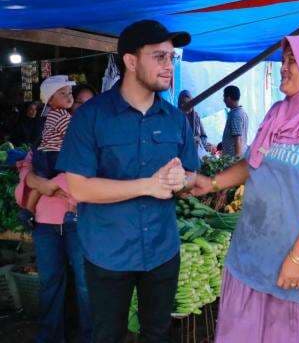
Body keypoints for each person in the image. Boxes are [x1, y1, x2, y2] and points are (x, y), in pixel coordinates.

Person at [192, 35, 299, 342]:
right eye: (283, 60)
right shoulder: (278, 113)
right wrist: (212, 183)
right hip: (254, 260)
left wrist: (298, 259)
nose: (283, 68)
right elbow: (254, 161)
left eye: (293, 61)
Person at [56, 20, 199, 343]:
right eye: (159, 57)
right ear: (131, 61)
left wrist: (183, 179)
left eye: (170, 57)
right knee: (107, 335)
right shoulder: (91, 117)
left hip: (162, 249)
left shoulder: (176, 119)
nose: (168, 66)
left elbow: (191, 176)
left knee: (159, 333)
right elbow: (78, 187)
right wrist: (148, 185)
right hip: (108, 252)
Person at [15, 85, 96, 343]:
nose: (83, 107)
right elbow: (28, 164)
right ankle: (50, 337)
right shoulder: (49, 131)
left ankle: (89, 337)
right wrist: (36, 181)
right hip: (45, 223)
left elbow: (91, 172)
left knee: (85, 285)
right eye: (79, 102)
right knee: (50, 284)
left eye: (89, 103)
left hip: (78, 221)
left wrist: (51, 184)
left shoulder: (90, 136)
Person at [28, 75, 76, 212]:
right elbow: (74, 135)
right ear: (50, 100)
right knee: (67, 178)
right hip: (54, 155)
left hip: (44, 155)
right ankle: (72, 207)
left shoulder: (52, 114)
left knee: (42, 184)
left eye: (70, 93)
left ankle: (28, 211)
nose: (69, 97)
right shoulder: (62, 115)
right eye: (62, 93)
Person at [221, 85, 248, 158]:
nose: (223, 100)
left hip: (233, 157)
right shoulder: (242, 112)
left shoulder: (235, 115)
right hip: (237, 155)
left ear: (229, 98)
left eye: (224, 97)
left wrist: (236, 160)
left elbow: (238, 139)